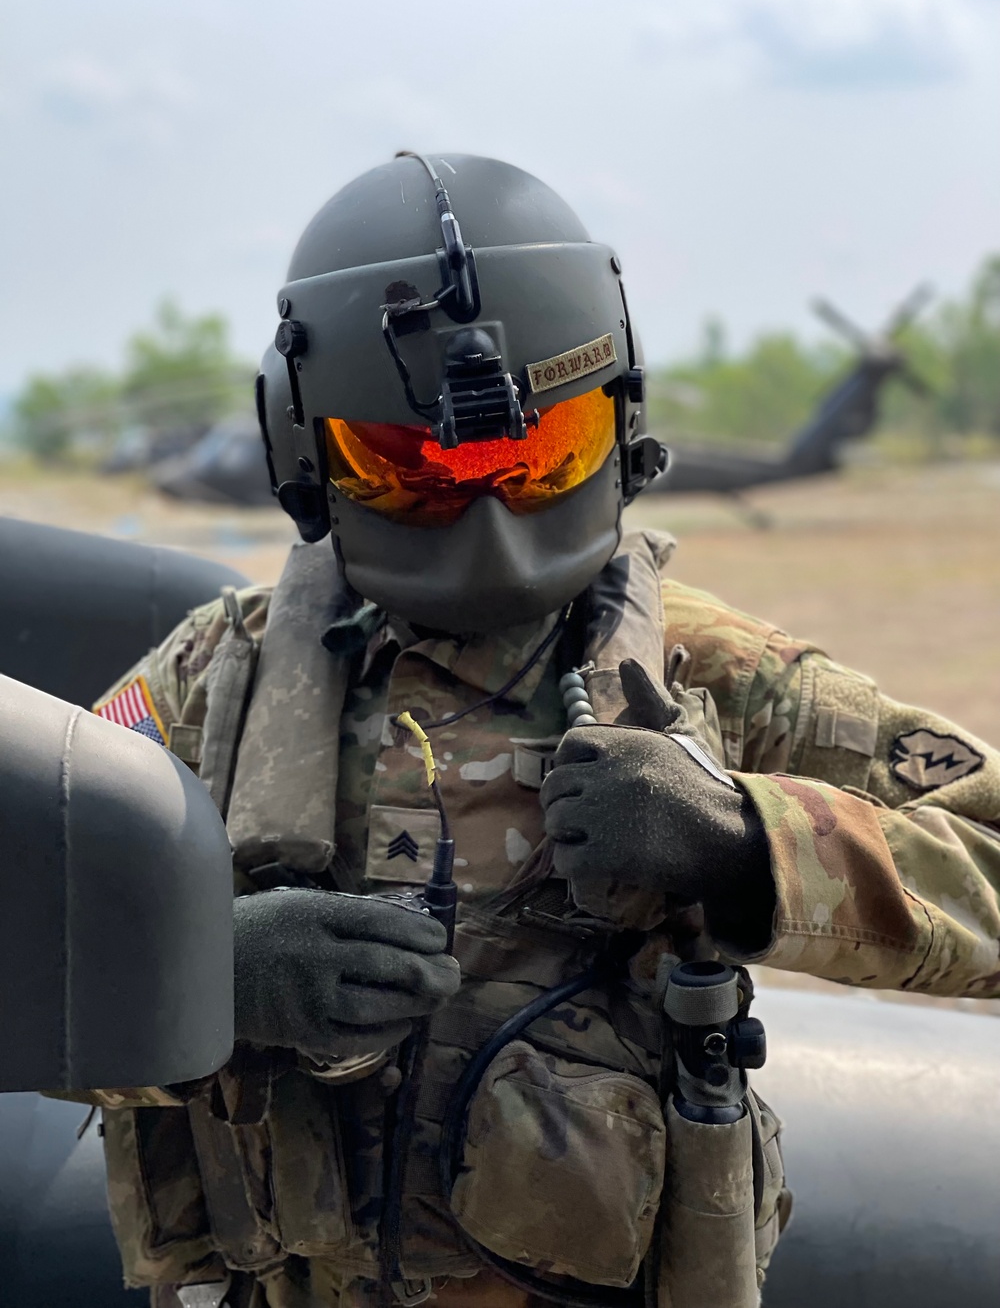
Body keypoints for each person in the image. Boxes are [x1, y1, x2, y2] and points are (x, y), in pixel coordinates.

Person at [81, 154, 1000, 1308]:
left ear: (616, 427)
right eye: (409, 467)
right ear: (307, 454)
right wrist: (205, 970)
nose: (485, 516)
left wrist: (750, 843)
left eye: (537, 456)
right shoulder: (217, 680)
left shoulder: (705, 675)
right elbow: (28, 926)